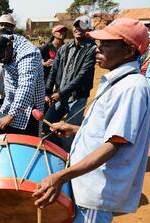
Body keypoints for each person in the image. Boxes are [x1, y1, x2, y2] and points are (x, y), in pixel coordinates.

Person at [33, 18, 150, 223]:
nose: (97, 47)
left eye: (106, 44)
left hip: (97, 190)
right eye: (98, 41)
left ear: (128, 50)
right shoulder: (117, 80)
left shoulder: (132, 87)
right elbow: (110, 132)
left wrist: (62, 175)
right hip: (90, 184)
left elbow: (114, 145)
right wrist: (76, 129)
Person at [44, 16, 97, 152]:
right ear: (73, 28)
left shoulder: (91, 50)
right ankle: (57, 153)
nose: (78, 28)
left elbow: (81, 76)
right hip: (60, 97)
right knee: (47, 125)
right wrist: (48, 92)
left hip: (77, 98)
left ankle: (68, 160)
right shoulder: (64, 48)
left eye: (83, 26)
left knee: (69, 135)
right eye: (76, 25)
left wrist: (60, 93)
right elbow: (54, 71)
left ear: (88, 30)